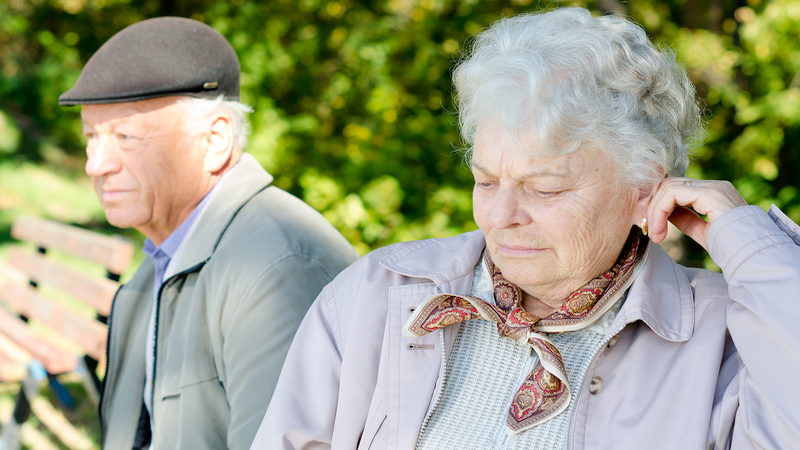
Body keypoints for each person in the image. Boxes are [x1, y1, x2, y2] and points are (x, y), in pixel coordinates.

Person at [250, 7, 800, 449]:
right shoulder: (380, 293)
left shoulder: (727, 334)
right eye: (485, 181)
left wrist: (750, 242)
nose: (498, 214)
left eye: (545, 188)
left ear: (643, 189)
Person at [59, 17, 359, 450]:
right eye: (91, 137)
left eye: (125, 136)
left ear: (215, 140)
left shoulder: (278, 269)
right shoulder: (167, 254)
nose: (96, 165)